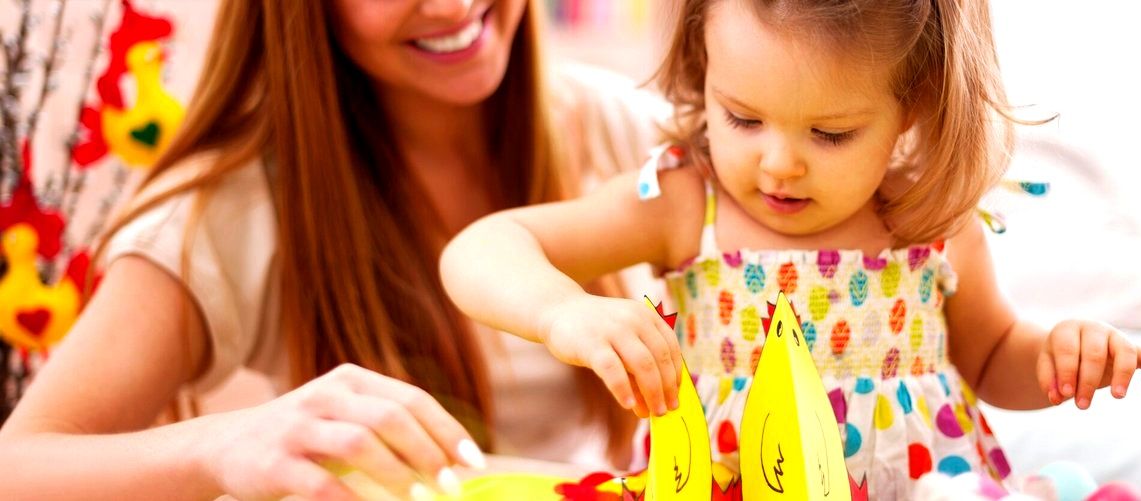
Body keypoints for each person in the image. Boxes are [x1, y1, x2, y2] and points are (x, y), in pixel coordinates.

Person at [440, 0, 1141, 497]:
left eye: (831, 133)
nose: (779, 163)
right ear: (704, 67)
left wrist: (1057, 360)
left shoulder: (930, 220)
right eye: (743, 117)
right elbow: (482, 248)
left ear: (911, 103)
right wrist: (563, 311)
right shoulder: (689, 201)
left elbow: (992, 352)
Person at [0, 0, 666, 499]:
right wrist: (229, 442)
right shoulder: (231, 211)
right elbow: (17, 466)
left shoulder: (623, 130)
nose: (452, 6)